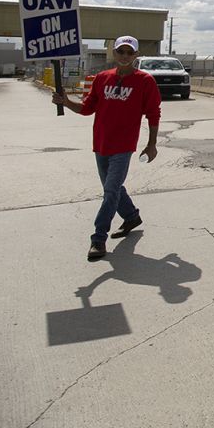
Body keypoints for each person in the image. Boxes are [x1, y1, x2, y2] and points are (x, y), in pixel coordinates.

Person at [52, 35, 160, 261]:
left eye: (129, 52)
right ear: (115, 53)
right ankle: (131, 216)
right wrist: (66, 102)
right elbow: (87, 109)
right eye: (121, 51)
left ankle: (98, 238)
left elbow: (153, 114)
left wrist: (151, 144)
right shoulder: (102, 78)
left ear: (135, 56)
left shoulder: (145, 81)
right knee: (114, 189)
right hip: (101, 144)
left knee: (110, 191)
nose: (125, 56)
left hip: (124, 146)